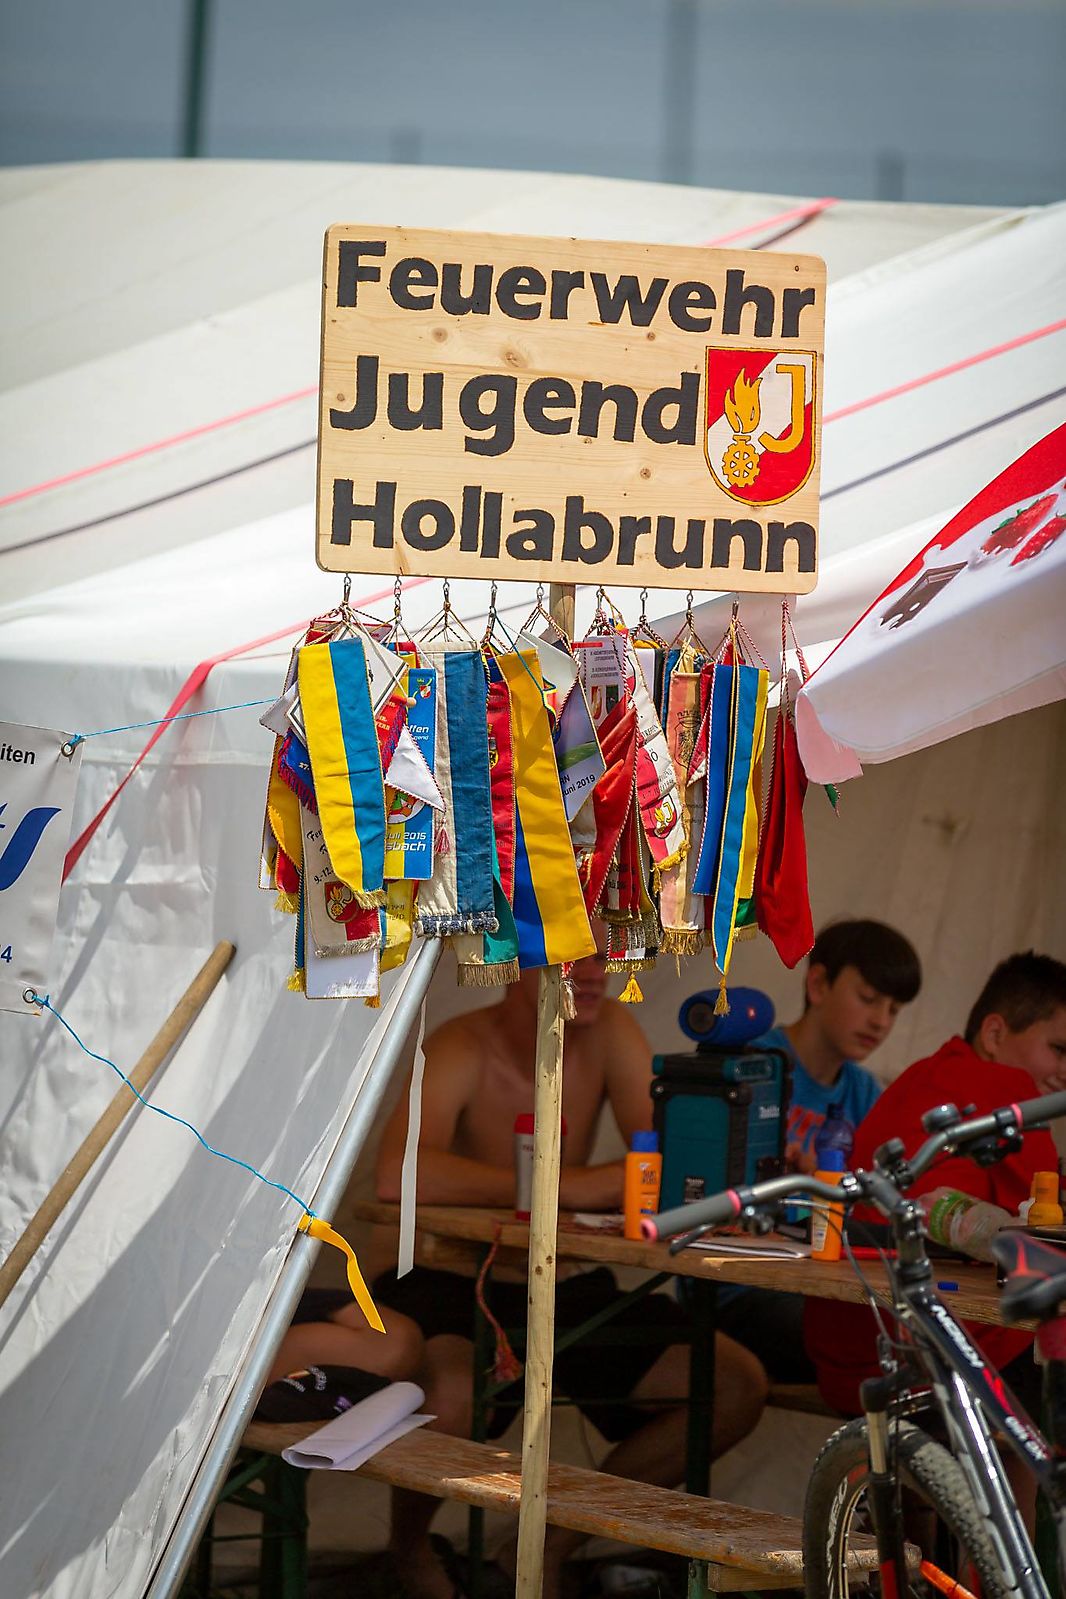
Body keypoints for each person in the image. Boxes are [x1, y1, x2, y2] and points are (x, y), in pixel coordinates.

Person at [373, 944, 768, 1599]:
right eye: (572, 956)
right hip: (454, 1281)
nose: (593, 973)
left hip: (560, 1281)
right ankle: (408, 1550)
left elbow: (665, 1159)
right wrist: (558, 1186)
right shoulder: (460, 1043)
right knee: (448, 1399)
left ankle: (544, 1544)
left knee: (733, 1383)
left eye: (603, 956)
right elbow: (396, 1175)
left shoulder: (610, 1028)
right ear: (515, 961)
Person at [806, 950, 1066, 1417]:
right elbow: (1045, 1231)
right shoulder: (1008, 1090)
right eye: (1060, 1050)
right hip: (928, 1355)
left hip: (844, 1353)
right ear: (994, 1034)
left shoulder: (924, 1073)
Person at [716, 919, 922, 1380]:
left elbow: (875, 1207)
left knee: (914, 1336)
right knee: (880, 1346)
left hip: (821, 1284)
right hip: (735, 1286)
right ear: (818, 984)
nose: (881, 1022)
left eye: (894, 1009)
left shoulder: (865, 1092)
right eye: (868, 998)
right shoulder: (751, 1065)